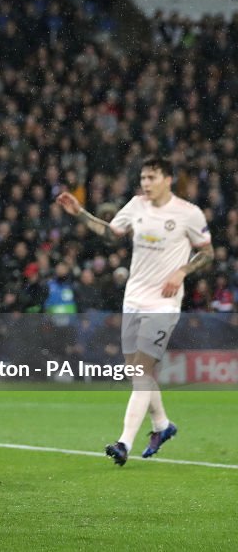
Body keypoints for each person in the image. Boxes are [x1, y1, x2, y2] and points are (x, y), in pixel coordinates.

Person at [56, 155, 213, 465]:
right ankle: (162, 425)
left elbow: (207, 253)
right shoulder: (136, 205)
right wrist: (81, 214)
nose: (145, 184)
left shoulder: (188, 213)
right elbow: (111, 233)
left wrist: (182, 272)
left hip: (164, 303)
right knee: (137, 373)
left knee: (141, 371)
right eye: (142, 178)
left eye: (151, 178)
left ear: (168, 179)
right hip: (134, 299)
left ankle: (123, 443)